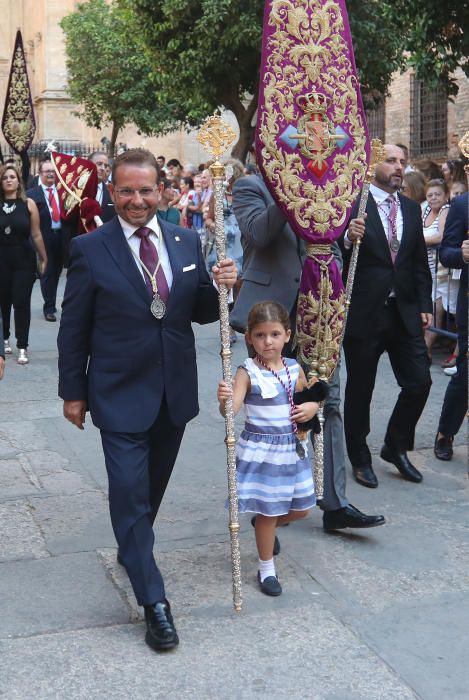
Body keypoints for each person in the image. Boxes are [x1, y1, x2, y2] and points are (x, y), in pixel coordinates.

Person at [57, 148, 237, 653]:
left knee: (149, 493)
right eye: (127, 191)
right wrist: (73, 391)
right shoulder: (90, 249)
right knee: (130, 493)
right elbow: (74, 328)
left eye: (146, 190)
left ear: (163, 192)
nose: (138, 200)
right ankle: (154, 599)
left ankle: (133, 546)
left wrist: (226, 287)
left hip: (173, 392)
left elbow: (202, 309)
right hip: (116, 392)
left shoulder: (184, 240)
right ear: (112, 193)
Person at [230, 172, 385, 532]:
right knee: (273, 415)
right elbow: (258, 235)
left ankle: (335, 503)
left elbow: (329, 250)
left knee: (327, 404)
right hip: (270, 321)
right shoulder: (251, 186)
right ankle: (269, 509)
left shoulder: (323, 185)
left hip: (319, 318)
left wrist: (345, 239)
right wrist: (290, 193)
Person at [343, 144, 433, 488]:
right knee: (360, 388)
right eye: (391, 161)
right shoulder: (354, 205)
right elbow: (334, 250)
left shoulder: (410, 208)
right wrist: (348, 239)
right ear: (372, 164)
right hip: (366, 312)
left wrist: (424, 303)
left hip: (404, 310)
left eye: (402, 162)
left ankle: (395, 446)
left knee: (419, 382)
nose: (399, 167)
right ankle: (359, 456)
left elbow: (417, 261)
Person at [217, 302, 318, 596]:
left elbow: (309, 399)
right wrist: (223, 399)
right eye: (260, 335)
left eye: (274, 334)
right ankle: (267, 569)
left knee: (302, 510)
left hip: (291, 450)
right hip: (262, 452)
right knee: (270, 512)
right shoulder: (247, 372)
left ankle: (264, 523)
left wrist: (311, 407)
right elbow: (231, 411)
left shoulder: (294, 368)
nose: (268, 341)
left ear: (287, 335)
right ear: (249, 337)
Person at [0, 164, 47, 364]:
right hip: (1, 258)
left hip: (23, 260)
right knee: (3, 302)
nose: (9, 180)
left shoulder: (28, 204)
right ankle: (4, 339)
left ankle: (22, 345)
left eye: (12, 176)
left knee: (21, 303)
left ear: (19, 180)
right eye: (5, 177)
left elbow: (36, 234)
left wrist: (44, 257)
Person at [434, 190, 468, 461]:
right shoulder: (462, 204)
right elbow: (446, 252)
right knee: (466, 372)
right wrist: (463, 254)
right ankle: (445, 432)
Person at [27, 158, 65, 322]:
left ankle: (51, 301)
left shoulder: (63, 192)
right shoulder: (32, 194)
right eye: (47, 171)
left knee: (56, 271)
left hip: (61, 236)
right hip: (43, 236)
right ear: (40, 174)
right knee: (47, 271)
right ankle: (49, 307)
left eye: (52, 171)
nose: (50, 174)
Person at [421, 179, 450, 355]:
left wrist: (416, 242)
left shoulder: (446, 210)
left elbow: (440, 236)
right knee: (425, 309)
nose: (433, 198)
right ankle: (424, 349)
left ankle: (427, 349)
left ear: (446, 196)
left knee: (436, 310)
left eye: (438, 194)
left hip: (440, 270)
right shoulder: (425, 210)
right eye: (430, 195)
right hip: (424, 269)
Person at [89, 151, 115, 223]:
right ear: (88, 164)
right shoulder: (77, 190)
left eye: (106, 165)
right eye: (99, 164)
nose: (103, 168)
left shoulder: (112, 192)